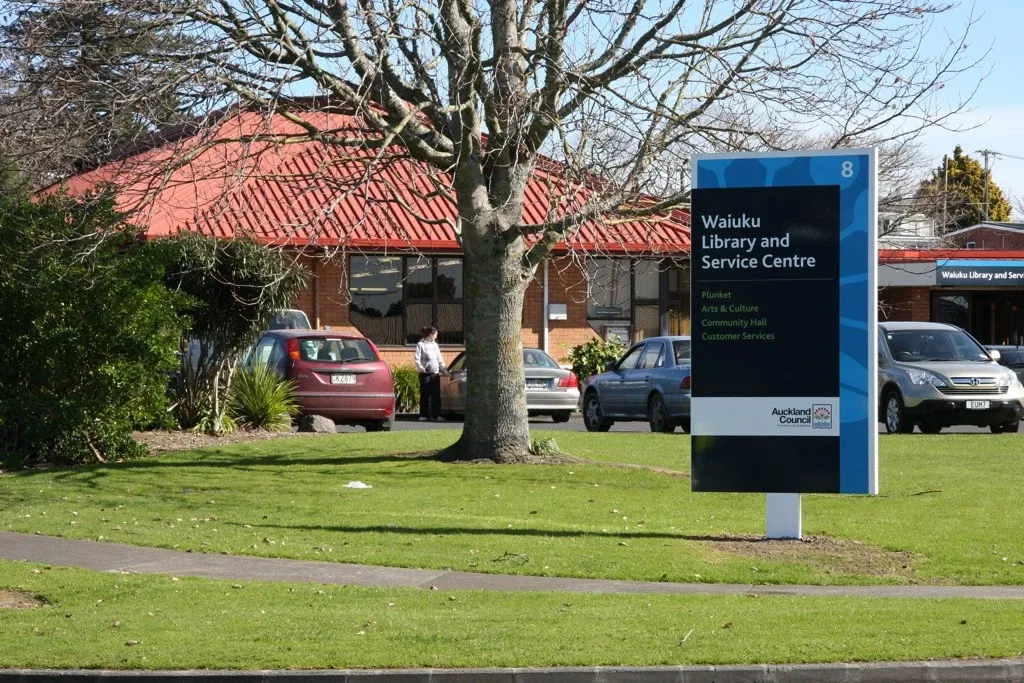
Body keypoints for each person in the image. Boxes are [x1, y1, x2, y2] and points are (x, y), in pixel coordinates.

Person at [414, 325, 447, 421]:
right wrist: (421, 368)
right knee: (425, 394)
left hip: (435, 374)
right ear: (431, 334)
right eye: (435, 335)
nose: (436, 337)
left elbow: (440, 359)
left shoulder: (435, 345)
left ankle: (436, 415)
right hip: (425, 374)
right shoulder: (421, 344)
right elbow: (417, 359)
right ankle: (423, 415)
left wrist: (444, 370)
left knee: (436, 395)